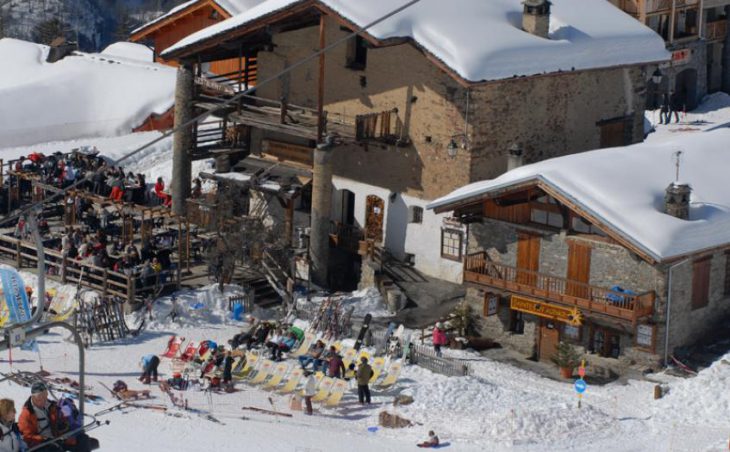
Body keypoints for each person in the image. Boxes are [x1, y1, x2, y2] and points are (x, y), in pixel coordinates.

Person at [19, 382, 97, 452]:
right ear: (33, 397)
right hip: (42, 445)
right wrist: (44, 439)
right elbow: (27, 437)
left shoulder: (51, 405)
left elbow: (62, 416)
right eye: (40, 396)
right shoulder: (27, 414)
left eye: (45, 395)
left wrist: (64, 423)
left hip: (58, 438)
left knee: (83, 439)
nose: (43, 399)